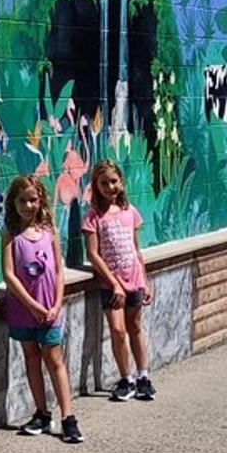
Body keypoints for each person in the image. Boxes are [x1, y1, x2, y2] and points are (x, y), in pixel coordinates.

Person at [1, 175, 83, 443]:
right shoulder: (11, 235)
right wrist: (32, 305)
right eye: (22, 201)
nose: (28, 206)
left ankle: (68, 417)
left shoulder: (49, 232)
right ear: (13, 203)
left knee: (54, 359)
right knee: (31, 357)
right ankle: (42, 413)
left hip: (49, 310)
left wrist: (56, 304)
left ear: (41, 201)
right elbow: (9, 274)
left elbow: (58, 270)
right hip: (24, 309)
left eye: (32, 200)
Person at [83, 159, 155, 402]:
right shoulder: (93, 217)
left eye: (113, 181)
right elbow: (93, 254)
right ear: (96, 186)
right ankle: (126, 378)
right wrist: (114, 283)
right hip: (112, 285)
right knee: (117, 329)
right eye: (103, 183)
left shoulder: (130, 212)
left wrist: (145, 280)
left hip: (134, 280)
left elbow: (137, 249)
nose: (110, 187)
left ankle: (143, 376)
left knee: (134, 327)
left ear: (121, 182)